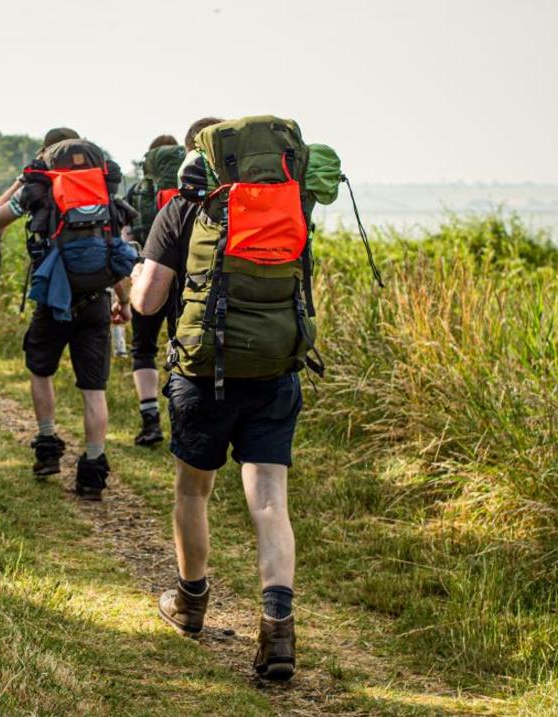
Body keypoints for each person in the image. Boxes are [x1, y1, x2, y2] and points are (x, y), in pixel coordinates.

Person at [131, 116, 317, 681]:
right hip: (275, 368)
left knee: (194, 488)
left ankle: (190, 603)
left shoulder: (184, 207)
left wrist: (141, 271)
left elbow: (147, 301)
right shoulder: (291, 202)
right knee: (268, 501)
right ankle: (278, 631)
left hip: (204, 371)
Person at [0, 129, 138, 500]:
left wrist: (21, 179)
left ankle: (47, 444)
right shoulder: (102, 189)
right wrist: (123, 300)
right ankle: (92, 470)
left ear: (46, 154)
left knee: (41, 370)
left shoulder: (38, 188)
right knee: (94, 389)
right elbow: (112, 249)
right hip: (96, 299)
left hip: (55, 301)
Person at [122, 132, 192, 447]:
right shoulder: (192, 189)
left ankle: (150, 421)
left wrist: (121, 291)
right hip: (187, 284)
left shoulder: (137, 192)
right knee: (184, 349)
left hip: (145, 278)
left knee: (144, 349)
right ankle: (184, 420)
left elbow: (125, 241)